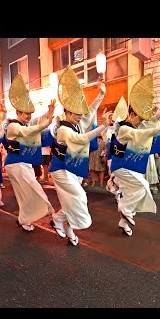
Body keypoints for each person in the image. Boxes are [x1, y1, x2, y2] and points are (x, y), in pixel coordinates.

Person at [110, 74, 160, 236]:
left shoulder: (136, 125)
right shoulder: (125, 128)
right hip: (122, 167)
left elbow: (151, 120)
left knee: (140, 190)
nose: (141, 122)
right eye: (139, 118)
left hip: (130, 166)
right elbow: (145, 132)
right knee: (141, 187)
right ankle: (124, 207)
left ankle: (124, 221)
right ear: (131, 115)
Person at [49, 66, 108, 246]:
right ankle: (59, 220)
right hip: (61, 170)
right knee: (79, 197)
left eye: (80, 114)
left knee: (71, 201)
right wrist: (103, 127)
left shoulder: (77, 122)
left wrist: (101, 94)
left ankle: (67, 227)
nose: (80, 116)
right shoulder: (64, 129)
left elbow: (90, 112)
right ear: (67, 112)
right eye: (76, 114)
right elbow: (80, 139)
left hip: (73, 168)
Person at [3, 74, 55, 231]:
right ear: (18, 112)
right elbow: (28, 131)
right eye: (26, 114)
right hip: (15, 164)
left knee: (26, 194)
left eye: (30, 114)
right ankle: (29, 217)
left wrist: (49, 112)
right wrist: (46, 123)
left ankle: (24, 219)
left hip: (24, 163)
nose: (29, 116)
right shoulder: (13, 126)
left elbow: (37, 120)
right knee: (32, 190)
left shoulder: (26, 122)